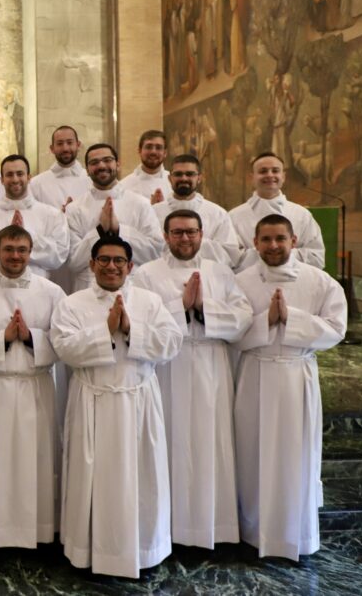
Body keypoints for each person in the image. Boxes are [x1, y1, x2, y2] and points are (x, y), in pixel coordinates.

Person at [50, 235, 182, 578]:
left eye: (118, 261)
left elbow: (171, 343)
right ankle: (87, 548)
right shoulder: (72, 303)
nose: (111, 266)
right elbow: (64, 347)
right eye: (104, 260)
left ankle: (142, 548)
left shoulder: (150, 302)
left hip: (138, 400)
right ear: (92, 264)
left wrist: (130, 329)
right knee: (89, 477)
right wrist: (105, 331)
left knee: (141, 477)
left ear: (130, 266)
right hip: (91, 401)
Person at [130, 210, 252, 549]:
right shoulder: (145, 275)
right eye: (177, 233)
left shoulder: (221, 272)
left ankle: (212, 525)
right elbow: (139, 318)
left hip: (211, 366)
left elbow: (242, 318)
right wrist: (180, 306)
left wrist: (203, 310)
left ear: (202, 235)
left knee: (210, 442)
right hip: (168, 365)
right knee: (167, 442)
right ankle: (167, 527)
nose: (185, 239)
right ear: (166, 236)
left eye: (191, 232)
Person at [233, 214, 346, 560]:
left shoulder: (320, 281)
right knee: (252, 452)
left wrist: (292, 319)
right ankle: (253, 530)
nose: (273, 246)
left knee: (296, 454)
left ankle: (296, 533)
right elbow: (230, 332)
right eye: (265, 239)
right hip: (255, 374)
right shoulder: (240, 281)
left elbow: (336, 329)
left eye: (280, 238)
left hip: (297, 377)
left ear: (294, 240)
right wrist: (264, 320)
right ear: (255, 243)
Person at [0, 225, 64, 548]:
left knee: (37, 459)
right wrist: (2, 338)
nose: (15, 256)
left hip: (36, 388)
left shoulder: (51, 292)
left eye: (22, 250)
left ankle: (39, 528)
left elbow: (62, 339)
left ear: (31, 253)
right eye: (9, 250)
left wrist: (31, 336)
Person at [65, 144, 164, 291]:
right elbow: (73, 262)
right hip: (88, 290)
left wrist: (119, 230)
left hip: (131, 288)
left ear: (117, 164)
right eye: (94, 162)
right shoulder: (74, 209)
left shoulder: (140, 204)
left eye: (107, 160)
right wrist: (99, 231)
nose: (101, 165)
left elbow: (155, 253)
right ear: (87, 170)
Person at [228, 152, 325, 271]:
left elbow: (317, 258)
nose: (269, 175)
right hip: (249, 284)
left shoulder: (302, 215)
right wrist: (279, 251)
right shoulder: (234, 216)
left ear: (283, 176)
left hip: (293, 283)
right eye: (263, 171)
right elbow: (229, 258)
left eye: (275, 170)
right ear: (252, 177)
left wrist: (278, 253)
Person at [0, 155, 70, 279]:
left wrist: (27, 235)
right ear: (2, 180)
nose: (15, 179)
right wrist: (9, 239)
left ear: (29, 177)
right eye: (9, 175)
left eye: (20, 174)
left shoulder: (52, 215)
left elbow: (59, 256)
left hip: (39, 289)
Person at [152, 154, 241, 268]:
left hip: (206, 276)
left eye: (190, 174)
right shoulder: (153, 212)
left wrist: (193, 243)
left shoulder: (218, 214)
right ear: (170, 178)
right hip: (163, 276)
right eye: (178, 174)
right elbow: (150, 250)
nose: (184, 178)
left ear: (199, 178)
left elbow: (231, 255)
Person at [30, 125, 92, 212]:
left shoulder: (92, 180)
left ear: (78, 145)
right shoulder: (36, 183)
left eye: (70, 143)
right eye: (60, 144)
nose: (65, 148)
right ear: (52, 149)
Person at [118, 130, 170, 203]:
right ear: (139, 151)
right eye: (148, 147)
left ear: (165, 153)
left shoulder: (174, 183)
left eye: (158, 148)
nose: (153, 152)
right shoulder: (123, 186)